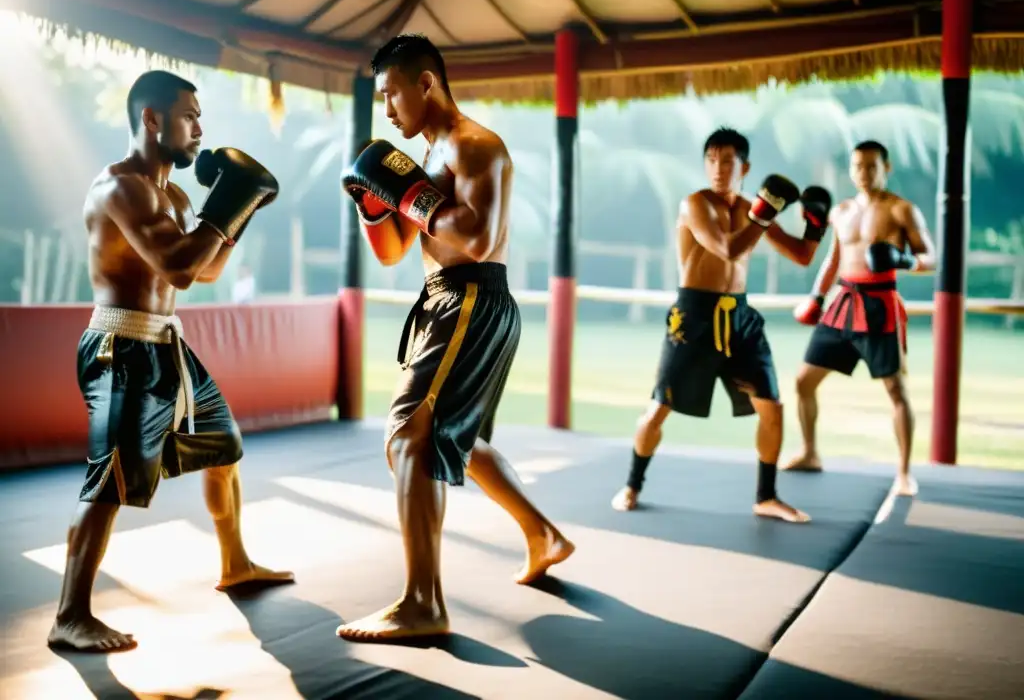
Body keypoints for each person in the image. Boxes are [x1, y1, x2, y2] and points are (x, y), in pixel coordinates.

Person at [337, 34, 574, 641]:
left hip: (471, 294)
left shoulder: (475, 146)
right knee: (454, 443)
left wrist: (407, 194)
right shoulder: (423, 159)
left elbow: (474, 238)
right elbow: (393, 251)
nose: (387, 111)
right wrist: (373, 203)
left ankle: (423, 602)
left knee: (409, 437)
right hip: (447, 299)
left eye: (391, 94)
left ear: (426, 83)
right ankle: (543, 535)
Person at [48, 70, 293, 654]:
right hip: (121, 346)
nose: (200, 129)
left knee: (224, 444)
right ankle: (70, 614)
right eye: (189, 116)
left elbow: (204, 270)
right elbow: (178, 265)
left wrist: (241, 209)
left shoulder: (178, 196)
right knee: (111, 479)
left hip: (164, 343)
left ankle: (235, 562)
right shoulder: (119, 188)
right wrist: (232, 201)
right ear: (152, 119)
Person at [611, 128, 831, 522]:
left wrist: (816, 225)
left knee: (772, 408)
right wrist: (765, 212)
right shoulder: (694, 204)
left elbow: (801, 256)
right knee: (660, 407)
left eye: (727, 160)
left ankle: (766, 496)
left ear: (744, 166)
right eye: (711, 159)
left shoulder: (751, 207)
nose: (718, 168)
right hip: (693, 316)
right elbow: (728, 249)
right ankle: (632, 483)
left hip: (741, 319)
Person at [786, 140, 935, 496]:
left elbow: (931, 256)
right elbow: (833, 259)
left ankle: (903, 472)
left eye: (871, 166)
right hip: (842, 302)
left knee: (896, 389)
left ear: (887, 167)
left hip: (880, 305)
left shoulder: (902, 211)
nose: (864, 173)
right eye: (857, 166)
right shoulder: (841, 211)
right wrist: (816, 297)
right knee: (804, 381)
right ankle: (809, 452)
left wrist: (904, 261)